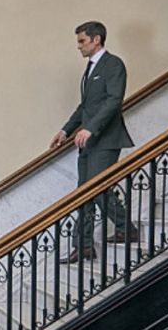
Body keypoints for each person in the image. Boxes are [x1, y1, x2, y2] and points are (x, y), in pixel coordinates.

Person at [49, 21, 138, 263]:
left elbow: (113, 101)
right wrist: (66, 130)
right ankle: (85, 246)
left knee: (96, 189)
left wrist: (90, 128)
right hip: (87, 142)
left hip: (106, 139)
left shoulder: (113, 64)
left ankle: (125, 228)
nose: (78, 46)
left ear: (96, 39)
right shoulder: (90, 69)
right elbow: (85, 107)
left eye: (82, 41)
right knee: (84, 193)